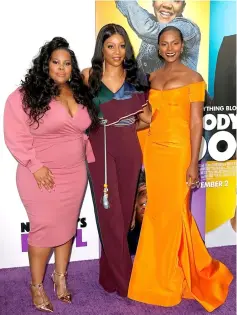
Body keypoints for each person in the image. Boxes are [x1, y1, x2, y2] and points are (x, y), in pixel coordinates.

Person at [128, 26, 233, 312]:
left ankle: (174, 277)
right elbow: (147, 117)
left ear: (182, 45)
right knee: (157, 215)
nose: (170, 48)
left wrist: (192, 165)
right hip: (154, 152)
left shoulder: (194, 79)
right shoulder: (151, 78)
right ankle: (157, 276)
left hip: (178, 154)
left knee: (175, 214)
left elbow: (196, 123)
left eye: (175, 43)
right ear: (158, 47)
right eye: (164, 44)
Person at [4, 37, 99, 312]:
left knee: (68, 227)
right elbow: (15, 134)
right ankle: (36, 286)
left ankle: (60, 279)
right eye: (56, 62)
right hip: (40, 174)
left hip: (75, 171)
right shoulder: (25, 95)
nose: (61, 68)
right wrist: (35, 165)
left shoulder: (78, 92)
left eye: (67, 63)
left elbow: (83, 129)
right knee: (44, 230)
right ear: (45, 65)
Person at [82, 23, 151, 297]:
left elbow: (146, 120)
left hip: (129, 150)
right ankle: (127, 282)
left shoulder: (137, 80)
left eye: (122, 46)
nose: (117, 51)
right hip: (99, 148)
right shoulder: (89, 76)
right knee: (109, 214)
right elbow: (76, 114)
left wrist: (128, 122)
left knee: (123, 217)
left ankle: (108, 275)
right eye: (110, 46)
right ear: (102, 48)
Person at [115, 0, 201, 73]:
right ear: (153, 2)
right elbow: (133, 13)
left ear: (183, 7)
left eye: (176, 0)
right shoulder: (155, 25)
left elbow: (146, 28)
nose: (167, 5)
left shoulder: (187, 28)